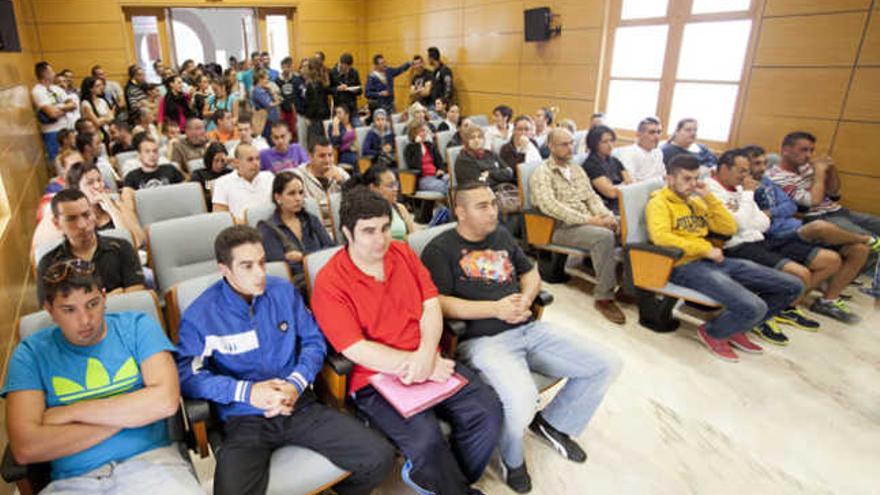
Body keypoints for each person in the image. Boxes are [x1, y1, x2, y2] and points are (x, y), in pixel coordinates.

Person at [421, 182, 622, 493]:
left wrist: (526, 299)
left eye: (493, 203)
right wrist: (495, 308)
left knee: (606, 364)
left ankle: (554, 424)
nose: (493, 211)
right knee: (522, 400)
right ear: (460, 212)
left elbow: (530, 274)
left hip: (527, 328)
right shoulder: (440, 249)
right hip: (483, 341)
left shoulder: (500, 235)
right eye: (482, 206)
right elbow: (439, 303)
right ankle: (512, 460)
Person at [175, 225, 394, 495]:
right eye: (247, 266)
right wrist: (247, 392)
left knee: (380, 457)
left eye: (262, 262)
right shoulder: (201, 315)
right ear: (224, 269)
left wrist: (295, 383)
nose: (260, 274)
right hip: (245, 417)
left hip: (299, 404)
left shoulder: (283, 292)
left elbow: (313, 342)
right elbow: (188, 375)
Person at [311, 188, 502, 495]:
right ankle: (449, 485)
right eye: (369, 231)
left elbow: (430, 305)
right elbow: (354, 348)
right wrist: (417, 364)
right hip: (375, 378)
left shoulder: (401, 252)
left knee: (488, 411)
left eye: (385, 228)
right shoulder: (330, 281)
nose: (380, 239)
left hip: (428, 358)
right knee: (426, 439)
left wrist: (426, 355)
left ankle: (448, 483)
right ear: (347, 232)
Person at [2, 261, 202, 494]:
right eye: (69, 310)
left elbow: (165, 402)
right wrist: (132, 414)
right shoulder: (30, 353)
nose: (85, 319)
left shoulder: (138, 327)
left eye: (93, 304)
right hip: (73, 481)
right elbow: (27, 447)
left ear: (104, 297)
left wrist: (69, 413)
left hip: (152, 465)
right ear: (49, 309)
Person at [646, 154, 803, 362]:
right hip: (683, 266)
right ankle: (714, 332)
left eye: (695, 178)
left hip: (713, 261)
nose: (692, 184)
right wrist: (704, 249)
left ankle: (737, 326)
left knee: (793, 286)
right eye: (686, 179)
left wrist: (709, 198)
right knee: (754, 306)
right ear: (670, 179)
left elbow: (729, 227)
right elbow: (661, 237)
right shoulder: (659, 203)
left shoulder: (695, 202)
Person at [708, 149, 843, 342]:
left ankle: (779, 309)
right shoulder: (712, 190)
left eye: (747, 171)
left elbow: (763, 222)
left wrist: (747, 214)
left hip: (760, 239)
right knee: (800, 274)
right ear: (724, 168)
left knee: (830, 260)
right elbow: (737, 225)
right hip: (737, 246)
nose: (746, 176)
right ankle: (760, 319)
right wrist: (748, 197)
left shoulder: (739, 189)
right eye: (741, 171)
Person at [746, 145, 876, 323]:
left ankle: (827, 300)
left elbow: (790, 206)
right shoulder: (744, 187)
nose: (763, 168)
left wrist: (772, 212)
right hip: (775, 235)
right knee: (821, 230)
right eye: (757, 163)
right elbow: (750, 218)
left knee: (858, 250)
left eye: (765, 163)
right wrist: (755, 202)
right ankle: (869, 239)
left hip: (792, 226)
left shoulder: (768, 182)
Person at [530, 129, 625, 324]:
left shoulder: (576, 169)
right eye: (563, 144)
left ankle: (628, 288)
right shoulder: (542, 173)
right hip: (558, 227)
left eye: (571, 143)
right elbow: (551, 207)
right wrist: (591, 221)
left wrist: (606, 216)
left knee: (622, 226)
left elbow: (591, 197)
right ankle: (604, 297)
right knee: (603, 236)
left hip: (584, 221)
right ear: (551, 147)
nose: (569, 148)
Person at [36, 189, 145, 304]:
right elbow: (54, 311)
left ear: (93, 214)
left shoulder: (121, 247)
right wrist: (114, 295)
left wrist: (83, 304)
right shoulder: (49, 264)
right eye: (71, 219)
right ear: (57, 223)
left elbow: (136, 296)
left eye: (86, 215)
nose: (82, 225)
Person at [769, 131, 880, 239]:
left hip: (838, 211)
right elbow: (813, 202)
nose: (809, 155)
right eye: (803, 150)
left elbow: (833, 193)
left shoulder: (806, 167)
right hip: (818, 217)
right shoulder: (777, 176)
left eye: (811, 150)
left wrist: (831, 170)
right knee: (873, 240)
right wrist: (819, 172)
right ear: (785, 150)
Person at [258, 172, 335, 284]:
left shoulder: (310, 219)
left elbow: (330, 250)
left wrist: (302, 257)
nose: (298, 198)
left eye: (301, 193)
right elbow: (282, 268)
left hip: (323, 274)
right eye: (291, 194)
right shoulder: (268, 228)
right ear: (278, 198)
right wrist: (315, 257)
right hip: (296, 285)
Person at [292, 136, 350, 230]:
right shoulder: (298, 177)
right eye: (322, 156)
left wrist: (341, 182)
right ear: (310, 156)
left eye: (330, 155)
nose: (327, 160)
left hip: (340, 224)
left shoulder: (339, 173)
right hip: (312, 227)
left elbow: (356, 197)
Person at [344, 164, 414, 240]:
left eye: (396, 184)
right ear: (373, 188)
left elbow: (413, 238)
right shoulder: (363, 214)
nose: (396, 189)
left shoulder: (400, 208)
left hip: (403, 250)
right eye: (390, 186)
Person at [212, 143, 274, 221]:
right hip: (241, 230)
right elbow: (220, 218)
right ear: (237, 163)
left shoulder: (269, 177)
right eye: (250, 159)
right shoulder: (222, 183)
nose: (256, 163)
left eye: (257, 159)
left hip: (271, 227)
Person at [581, 125, 631, 215]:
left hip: (622, 202)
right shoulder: (590, 165)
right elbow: (610, 193)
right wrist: (623, 185)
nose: (610, 145)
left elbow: (630, 183)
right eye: (605, 142)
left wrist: (618, 187)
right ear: (594, 144)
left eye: (611, 140)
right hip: (605, 207)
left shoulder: (615, 160)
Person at [612, 116, 667, 183]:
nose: (657, 136)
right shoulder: (629, 153)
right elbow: (631, 182)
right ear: (638, 134)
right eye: (652, 132)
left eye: (659, 132)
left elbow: (663, 177)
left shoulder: (658, 152)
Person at [404, 121, 448, 193]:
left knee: (455, 183)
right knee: (446, 187)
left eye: (425, 131)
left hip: (437, 176)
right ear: (414, 134)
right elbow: (415, 166)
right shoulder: (409, 148)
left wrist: (441, 169)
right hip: (424, 179)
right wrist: (417, 145)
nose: (424, 133)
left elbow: (439, 161)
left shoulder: (429, 145)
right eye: (421, 131)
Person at [191, 142, 232, 210]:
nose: (219, 165)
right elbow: (197, 198)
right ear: (209, 160)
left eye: (222, 161)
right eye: (216, 161)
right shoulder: (199, 175)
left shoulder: (230, 173)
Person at [301, 58, 332, 146]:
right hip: (324, 114)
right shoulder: (323, 81)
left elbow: (314, 102)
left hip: (315, 116)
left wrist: (308, 116)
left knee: (314, 142)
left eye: (307, 67)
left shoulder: (313, 84)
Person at [329, 53, 363, 125]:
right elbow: (327, 90)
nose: (346, 70)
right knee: (338, 129)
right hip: (339, 106)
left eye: (348, 68)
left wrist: (354, 90)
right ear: (340, 63)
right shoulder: (332, 72)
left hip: (352, 106)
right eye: (344, 67)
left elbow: (360, 90)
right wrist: (337, 89)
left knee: (358, 126)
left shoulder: (354, 72)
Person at [80, 76, 116, 143]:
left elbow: (112, 117)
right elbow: (96, 123)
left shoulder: (102, 101)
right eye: (97, 86)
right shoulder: (85, 103)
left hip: (107, 131)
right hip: (95, 134)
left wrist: (102, 119)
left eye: (101, 85)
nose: (101, 87)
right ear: (90, 89)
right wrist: (106, 118)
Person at [276, 56, 299, 138]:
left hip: (294, 110)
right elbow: (276, 94)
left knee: (294, 131)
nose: (286, 69)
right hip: (283, 109)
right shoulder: (277, 80)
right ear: (281, 67)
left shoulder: (296, 79)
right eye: (284, 67)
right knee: (283, 130)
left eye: (288, 67)